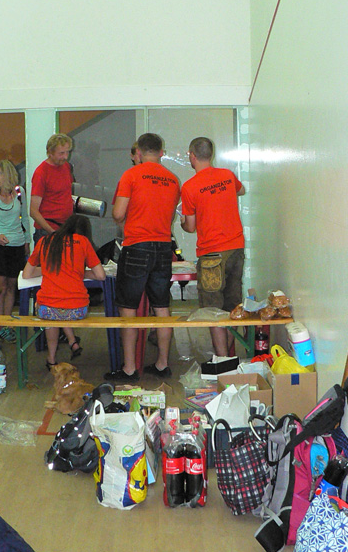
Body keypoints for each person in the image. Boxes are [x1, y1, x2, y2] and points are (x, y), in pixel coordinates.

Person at [109, 133, 181, 382]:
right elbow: (170, 215)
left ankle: (130, 368)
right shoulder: (173, 179)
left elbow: (118, 214)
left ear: (138, 152)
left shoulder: (131, 175)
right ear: (161, 152)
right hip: (163, 247)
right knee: (161, 307)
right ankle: (162, 364)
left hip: (137, 246)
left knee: (128, 308)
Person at [180, 136, 246, 356]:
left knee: (212, 310)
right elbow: (241, 190)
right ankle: (230, 359)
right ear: (211, 154)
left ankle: (222, 361)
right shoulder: (227, 176)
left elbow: (190, 227)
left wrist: (182, 221)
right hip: (236, 250)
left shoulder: (190, 187)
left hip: (211, 255)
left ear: (192, 156)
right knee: (231, 307)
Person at [23, 215, 106, 369]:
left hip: (47, 310)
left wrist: (49, 269)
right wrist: (79, 272)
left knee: (52, 312)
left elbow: (26, 274)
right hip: (77, 310)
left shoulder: (45, 241)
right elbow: (101, 275)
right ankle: (72, 341)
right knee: (62, 306)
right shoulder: (83, 242)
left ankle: (51, 358)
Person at [0, 159, 30, 342]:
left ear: (8, 174)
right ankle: (0, 326)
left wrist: (27, 240)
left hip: (17, 245)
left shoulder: (19, 192)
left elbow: (24, 217)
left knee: (11, 286)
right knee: (0, 287)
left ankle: (8, 324)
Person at [29, 133, 74, 240]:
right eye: (61, 153)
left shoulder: (66, 166)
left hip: (65, 227)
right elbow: (33, 211)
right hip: (47, 231)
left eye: (67, 152)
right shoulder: (41, 173)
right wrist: (52, 232)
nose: (65, 157)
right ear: (50, 153)